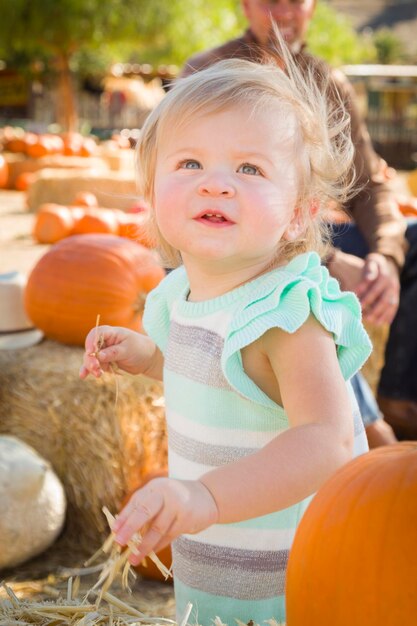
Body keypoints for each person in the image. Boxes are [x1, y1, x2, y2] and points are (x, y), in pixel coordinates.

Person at [80, 53, 372, 625]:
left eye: (250, 169)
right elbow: (204, 363)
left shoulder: (285, 315)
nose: (216, 184)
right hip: (214, 570)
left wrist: (204, 498)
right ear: (152, 194)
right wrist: (145, 355)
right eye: (190, 163)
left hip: (293, 585)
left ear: (298, 215)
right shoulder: (177, 292)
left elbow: (327, 438)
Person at [179, 0, 417, 442]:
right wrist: (326, 259)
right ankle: (362, 425)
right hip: (237, 246)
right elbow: (229, 203)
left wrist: (386, 257)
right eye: (271, 0)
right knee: (298, 292)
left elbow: (367, 184)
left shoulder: (328, 82)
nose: (284, 12)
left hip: (304, 232)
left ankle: (402, 399)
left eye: (296, 0)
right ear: (245, 6)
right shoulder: (211, 74)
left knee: (414, 238)